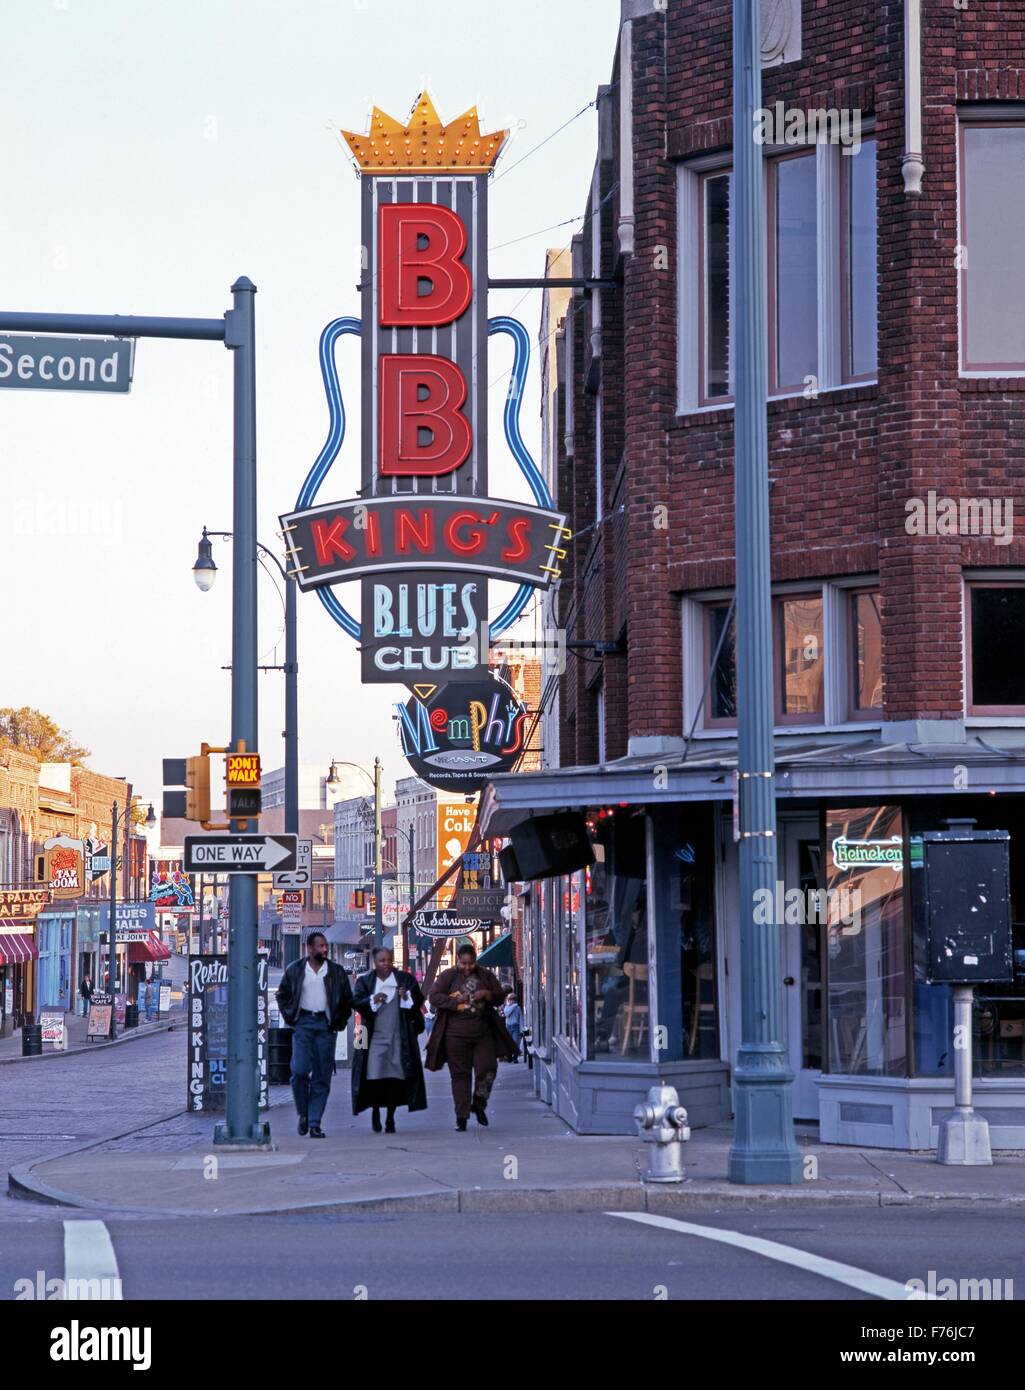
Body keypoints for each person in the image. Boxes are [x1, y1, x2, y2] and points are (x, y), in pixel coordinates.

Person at [426, 942, 518, 1131]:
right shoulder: (448, 976)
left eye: (471, 963)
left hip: (482, 1033)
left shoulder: (485, 975)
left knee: (488, 1069)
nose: (467, 967)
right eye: (463, 963)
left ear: (475, 961)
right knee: (460, 1076)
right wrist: (454, 1000)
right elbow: (433, 997)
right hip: (454, 1036)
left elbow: (501, 996)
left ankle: (479, 1103)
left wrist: (487, 994)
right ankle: (461, 1117)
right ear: (457, 961)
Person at [275, 930, 353, 1138]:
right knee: (299, 1070)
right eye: (320, 946)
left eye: (325, 946)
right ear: (309, 948)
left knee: (322, 1076)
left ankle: (314, 1122)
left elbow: (347, 999)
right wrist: (291, 1017)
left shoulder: (336, 972)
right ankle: (304, 1112)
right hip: (303, 1023)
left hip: (326, 1026)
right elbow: (282, 995)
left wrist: (340, 1021)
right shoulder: (296, 969)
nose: (324, 949)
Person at [351, 946, 427, 1133]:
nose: (386, 964)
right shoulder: (366, 982)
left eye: (388, 960)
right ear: (374, 963)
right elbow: (356, 1002)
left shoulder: (404, 980)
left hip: (398, 1038)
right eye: (382, 961)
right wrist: (372, 1000)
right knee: (374, 1078)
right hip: (373, 1038)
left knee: (395, 1079)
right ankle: (376, 1112)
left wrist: (406, 996)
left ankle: (390, 1118)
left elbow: (418, 1001)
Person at [501, 991, 523, 1062]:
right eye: (509, 999)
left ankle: (515, 1057)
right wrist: (513, 1006)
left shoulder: (518, 1008)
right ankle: (509, 1056)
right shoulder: (507, 1007)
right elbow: (507, 1014)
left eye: (512, 999)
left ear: (514, 1000)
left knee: (515, 1042)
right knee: (508, 1042)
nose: (510, 1001)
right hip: (508, 1026)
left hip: (515, 1026)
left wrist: (521, 1028)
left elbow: (521, 1018)